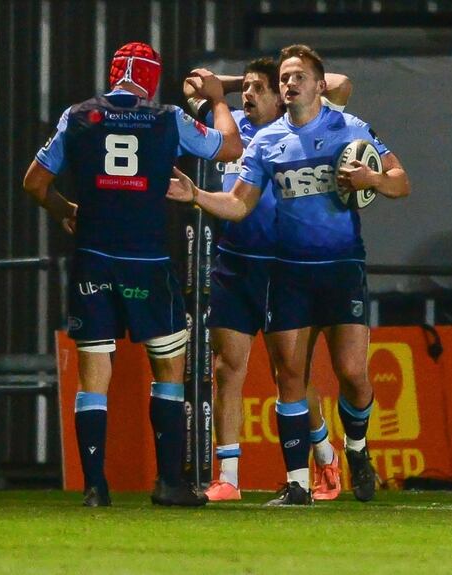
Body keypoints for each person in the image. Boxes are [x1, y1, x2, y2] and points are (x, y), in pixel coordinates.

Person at [168, 44, 409, 506]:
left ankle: (355, 447)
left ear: (318, 85)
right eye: (284, 78)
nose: (289, 83)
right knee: (290, 375)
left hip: (341, 268)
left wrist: (374, 180)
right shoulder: (263, 140)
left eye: (297, 77)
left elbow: (401, 180)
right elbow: (239, 202)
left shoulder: (347, 127)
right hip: (288, 273)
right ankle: (298, 482)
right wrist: (197, 194)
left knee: (352, 373)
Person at [22, 42, 242, 508]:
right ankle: (168, 484)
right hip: (147, 262)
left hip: (93, 259)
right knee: (167, 371)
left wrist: (67, 210)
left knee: (93, 377)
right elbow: (230, 146)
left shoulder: (78, 115)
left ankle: (94, 487)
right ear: (152, 80)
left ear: (115, 73)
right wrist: (219, 99)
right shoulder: (167, 119)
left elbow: (35, 182)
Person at [181, 60, 354, 502]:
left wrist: (277, 77)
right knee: (226, 368)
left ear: (281, 95)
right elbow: (191, 87)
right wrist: (229, 87)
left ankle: (324, 453)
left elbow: (339, 83)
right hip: (235, 265)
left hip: (282, 269)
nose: (249, 95)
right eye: (247, 89)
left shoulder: (295, 124)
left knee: (290, 375)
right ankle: (229, 478)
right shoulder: (231, 125)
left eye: (261, 89)